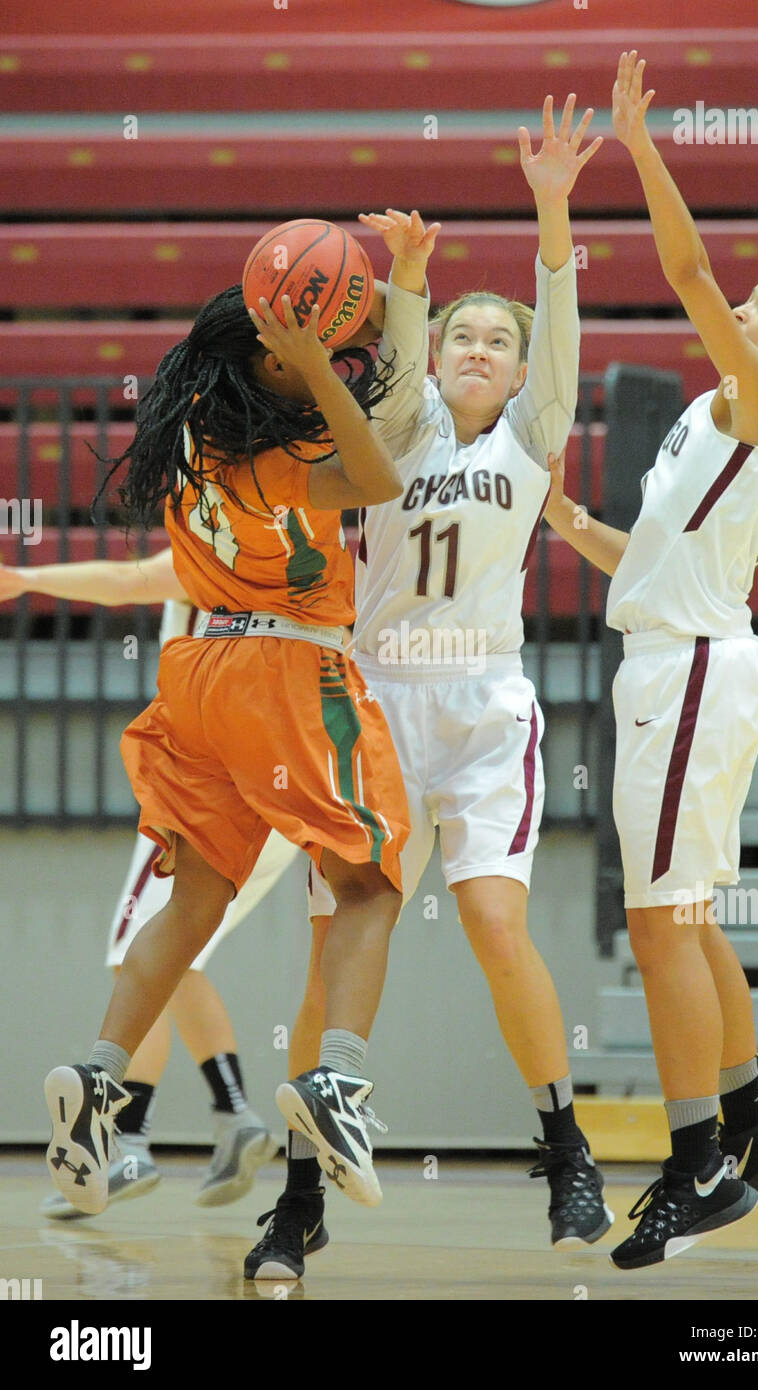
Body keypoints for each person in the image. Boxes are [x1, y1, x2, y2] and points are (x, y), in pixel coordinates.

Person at [245, 95, 613, 1283]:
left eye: (497, 342)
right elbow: (396, 367)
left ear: (517, 373)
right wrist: (410, 276)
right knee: (334, 945)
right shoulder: (395, 438)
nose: (478, 351)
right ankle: (299, 1197)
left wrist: (551, 203)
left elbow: (558, 324)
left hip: (484, 708)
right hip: (373, 703)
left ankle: (565, 1145)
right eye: (462, 333)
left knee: (498, 924)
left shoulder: (530, 439)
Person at [543, 51, 758, 1271]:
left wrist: (636, 141)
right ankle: (750, 1118)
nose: (749, 303)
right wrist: (577, 527)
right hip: (690, 653)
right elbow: (666, 555)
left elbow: (685, 267)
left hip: (690, 675)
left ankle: (695, 1167)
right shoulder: (725, 415)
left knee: (657, 921)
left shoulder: (755, 397)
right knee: (690, 915)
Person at [43, 278, 412, 1220]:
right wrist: (324, 368)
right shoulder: (285, 446)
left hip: (196, 670)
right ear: (274, 358)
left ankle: (100, 1078)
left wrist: (309, 348)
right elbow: (377, 480)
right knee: (368, 881)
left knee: (193, 897)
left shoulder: (194, 435)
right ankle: (339, 1081)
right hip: (286, 669)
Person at [0, 549, 303, 1214]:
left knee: (138, 953)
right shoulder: (298, 550)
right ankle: (231, 1116)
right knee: (177, 954)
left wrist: (25, 579)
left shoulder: (222, 536)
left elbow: (127, 579)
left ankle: (131, 1141)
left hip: (212, 780)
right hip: (280, 778)